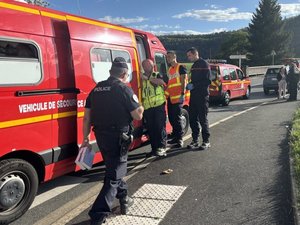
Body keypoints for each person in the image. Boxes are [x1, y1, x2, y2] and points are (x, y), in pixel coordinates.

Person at [81, 57, 144, 225]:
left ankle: (124, 199)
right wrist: (141, 107)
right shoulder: (124, 89)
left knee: (113, 168)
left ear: (110, 72)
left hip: (101, 136)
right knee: (114, 175)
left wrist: (85, 137)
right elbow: (137, 115)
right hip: (119, 138)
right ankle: (98, 214)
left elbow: (86, 117)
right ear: (124, 74)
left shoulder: (96, 89)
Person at [186, 47, 211, 150]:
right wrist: (190, 84)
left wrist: (194, 85)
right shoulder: (194, 66)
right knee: (192, 119)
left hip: (202, 96)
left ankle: (206, 141)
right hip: (194, 96)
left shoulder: (204, 64)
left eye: (189, 55)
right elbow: (195, 80)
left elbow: (207, 81)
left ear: (195, 54)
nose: (188, 58)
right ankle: (195, 140)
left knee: (202, 119)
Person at [141, 59, 167, 156]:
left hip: (158, 105)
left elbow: (160, 82)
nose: (147, 67)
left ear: (153, 66)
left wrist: (147, 78)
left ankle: (162, 148)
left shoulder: (157, 74)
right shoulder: (141, 77)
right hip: (147, 107)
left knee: (160, 127)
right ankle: (154, 148)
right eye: (145, 65)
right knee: (151, 129)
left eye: (149, 65)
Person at [165, 51, 187, 148]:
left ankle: (179, 140)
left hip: (178, 97)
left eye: (169, 57)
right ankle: (175, 136)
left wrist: (182, 93)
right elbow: (170, 84)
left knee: (177, 119)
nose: (168, 58)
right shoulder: (169, 69)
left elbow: (183, 81)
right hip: (171, 98)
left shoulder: (180, 67)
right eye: (167, 57)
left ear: (175, 56)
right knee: (172, 118)